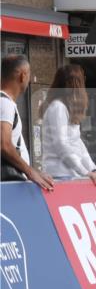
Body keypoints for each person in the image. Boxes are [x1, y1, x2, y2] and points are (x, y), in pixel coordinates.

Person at [39, 65, 96, 185]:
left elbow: (76, 142)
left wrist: (92, 169)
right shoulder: (58, 107)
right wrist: (85, 171)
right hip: (60, 174)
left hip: (69, 173)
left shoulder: (66, 107)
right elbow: (61, 144)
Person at [1, 55, 55, 189]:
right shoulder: (5, 103)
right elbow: (4, 144)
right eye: (29, 74)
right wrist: (30, 172)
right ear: (23, 76)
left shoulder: (5, 103)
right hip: (9, 184)